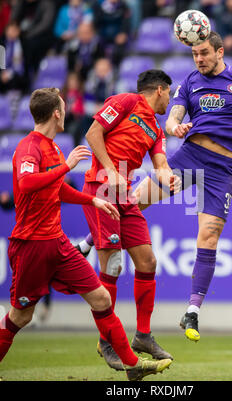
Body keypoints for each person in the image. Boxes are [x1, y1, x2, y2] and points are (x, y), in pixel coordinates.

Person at [78, 31, 232, 343]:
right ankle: (86, 243)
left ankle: (192, 310)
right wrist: (174, 126)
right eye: (194, 54)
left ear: (220, 51)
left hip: (222, 169)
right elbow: (171, 117)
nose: (199, 59)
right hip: (190, 156)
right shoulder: (190, 82)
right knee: (134, 200)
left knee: (209, 236)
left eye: (204, 53)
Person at [0, 87, 172, 381]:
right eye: (64, 108)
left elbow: (58, 188)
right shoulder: (30, 147)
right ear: (56, 113)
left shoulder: (53, 147)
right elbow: (27, 184)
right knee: (20, 317)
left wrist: (92, 200)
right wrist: (66, 167)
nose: (66, 112)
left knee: (102, 299)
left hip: (58, 243)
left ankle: (133, 365)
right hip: (31, 245)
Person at [77, 70, 180, 371]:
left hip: (125, 197)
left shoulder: (156, 129)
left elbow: (160, 164)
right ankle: (105, 338)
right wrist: (110, 169)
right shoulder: (126, 102)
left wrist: (168, 177)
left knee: (147, 261)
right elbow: (93, 132)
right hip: (101, 187)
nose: (170, 100)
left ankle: (143, 336)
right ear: (159, 90)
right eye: (169, 94)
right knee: (112, 264)